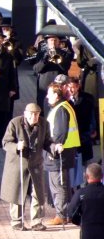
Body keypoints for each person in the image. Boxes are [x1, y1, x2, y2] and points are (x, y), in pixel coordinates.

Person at [0, 103, 53, 231]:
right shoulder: (15, 123)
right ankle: (17, 221)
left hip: (35, 164)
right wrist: (17, 146)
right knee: (17, 192)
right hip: (17, 164)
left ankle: (36, 221)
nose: (35, 117)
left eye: (37, 114)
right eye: (32, 114)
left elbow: (47, 142)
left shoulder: (44, 124)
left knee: (37, 193)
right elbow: (6, 142)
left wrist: (54, 147)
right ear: (25, 114)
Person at [44, 83, 80, 226]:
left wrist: (53, 149)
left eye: (49, 94)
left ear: (56, 95)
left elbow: (60, 133)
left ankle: (62, 215)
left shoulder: (60, 109)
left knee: (58, 184)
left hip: (60, 152)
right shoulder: (64, 107)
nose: (47, 96)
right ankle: (66, 213)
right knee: (63, 183)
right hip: (66, 151)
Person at [67, 76, 97, 187]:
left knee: (86, 162)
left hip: (84, 136)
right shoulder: (66, 100)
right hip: (72, 139)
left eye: (73, 87)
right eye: (69, 87)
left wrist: (93, 130)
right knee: (74, 165)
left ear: (78, 86)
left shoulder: (87, 99)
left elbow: (92, 116)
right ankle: (76, 187)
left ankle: (87, 185)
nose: (71, 90)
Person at [32, 32, 72, 110]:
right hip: (44, 87)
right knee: (43, 108)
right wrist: (45, 59)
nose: (53, 43)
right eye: (51, 40)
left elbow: (65, 68)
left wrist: (57, 56)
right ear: (47, 42)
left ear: (58, 42)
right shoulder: (41, 54)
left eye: (55, 40)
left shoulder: (64, 54)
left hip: (59, 86)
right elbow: (36, 69)